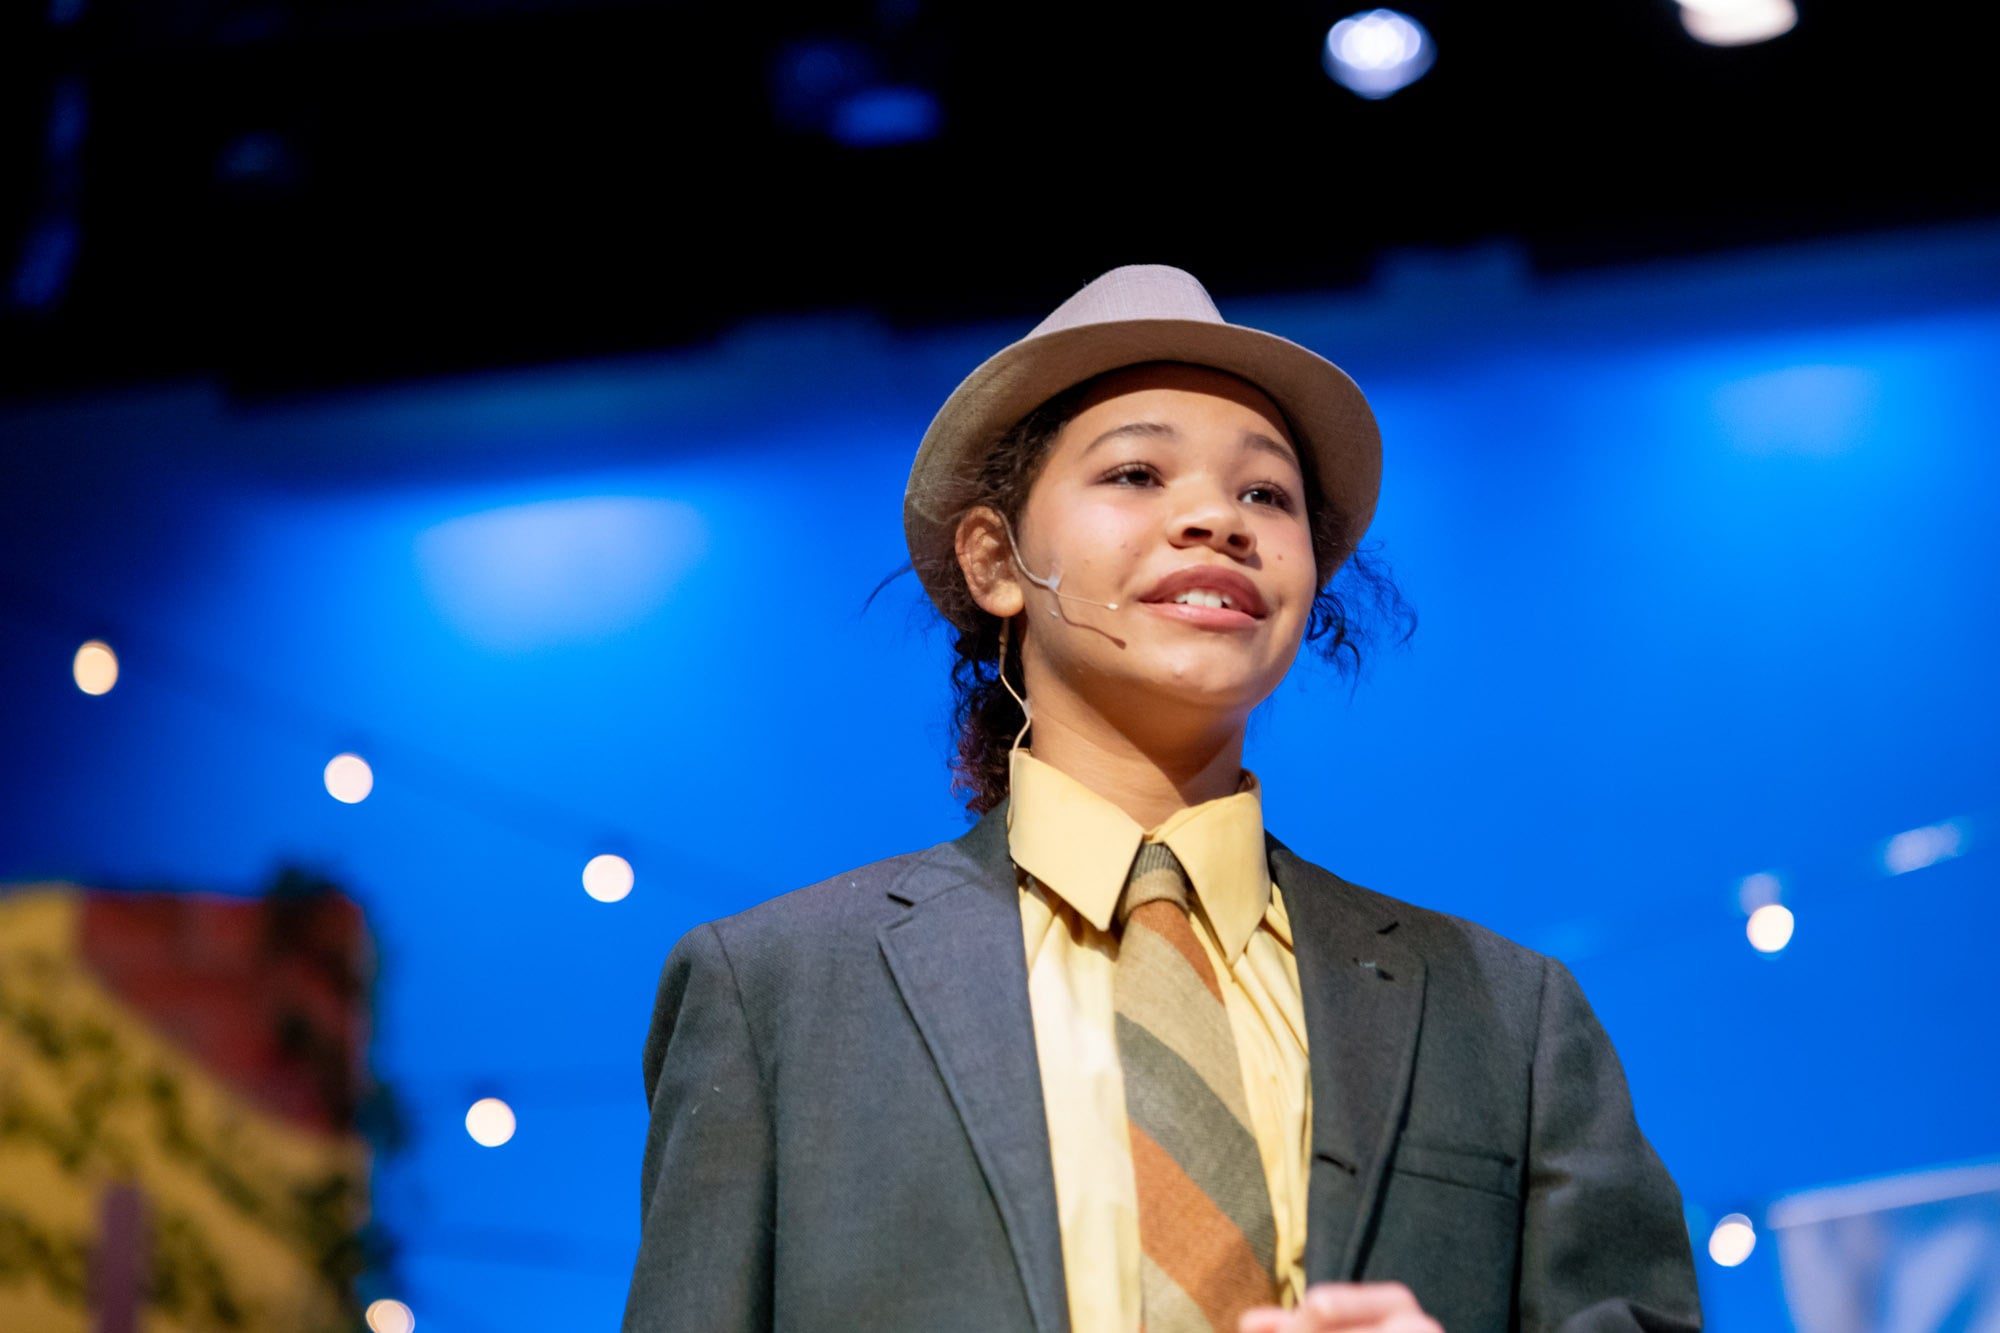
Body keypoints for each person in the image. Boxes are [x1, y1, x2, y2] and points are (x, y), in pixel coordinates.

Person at [620, 264, 1702, 1333]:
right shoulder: (778, 994)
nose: (1216, 519)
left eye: (1264, 494)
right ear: (996, 560)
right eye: (1137, 474)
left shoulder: (1504, 1014)